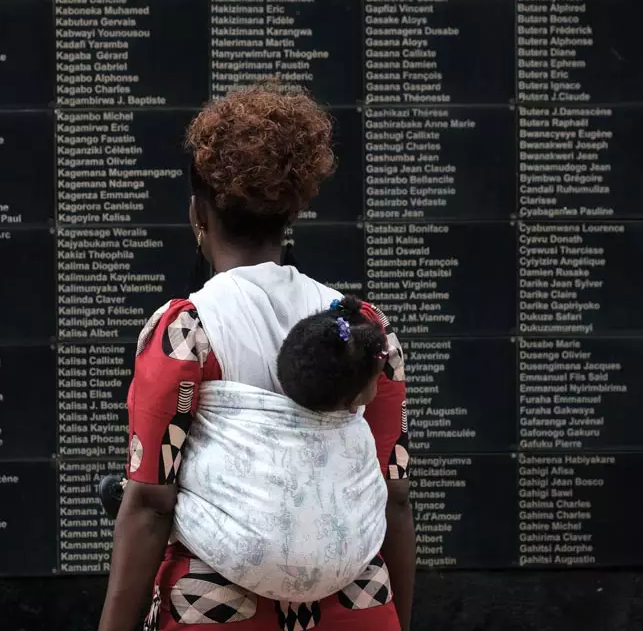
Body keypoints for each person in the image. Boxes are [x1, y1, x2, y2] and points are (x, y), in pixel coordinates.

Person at [98, 83, 414, 631]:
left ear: (199, 212)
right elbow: (395, 496)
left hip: (220, 610)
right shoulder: (365, 329)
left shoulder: (186, 331)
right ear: (293, 210)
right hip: (358, 607)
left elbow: (149, 502)